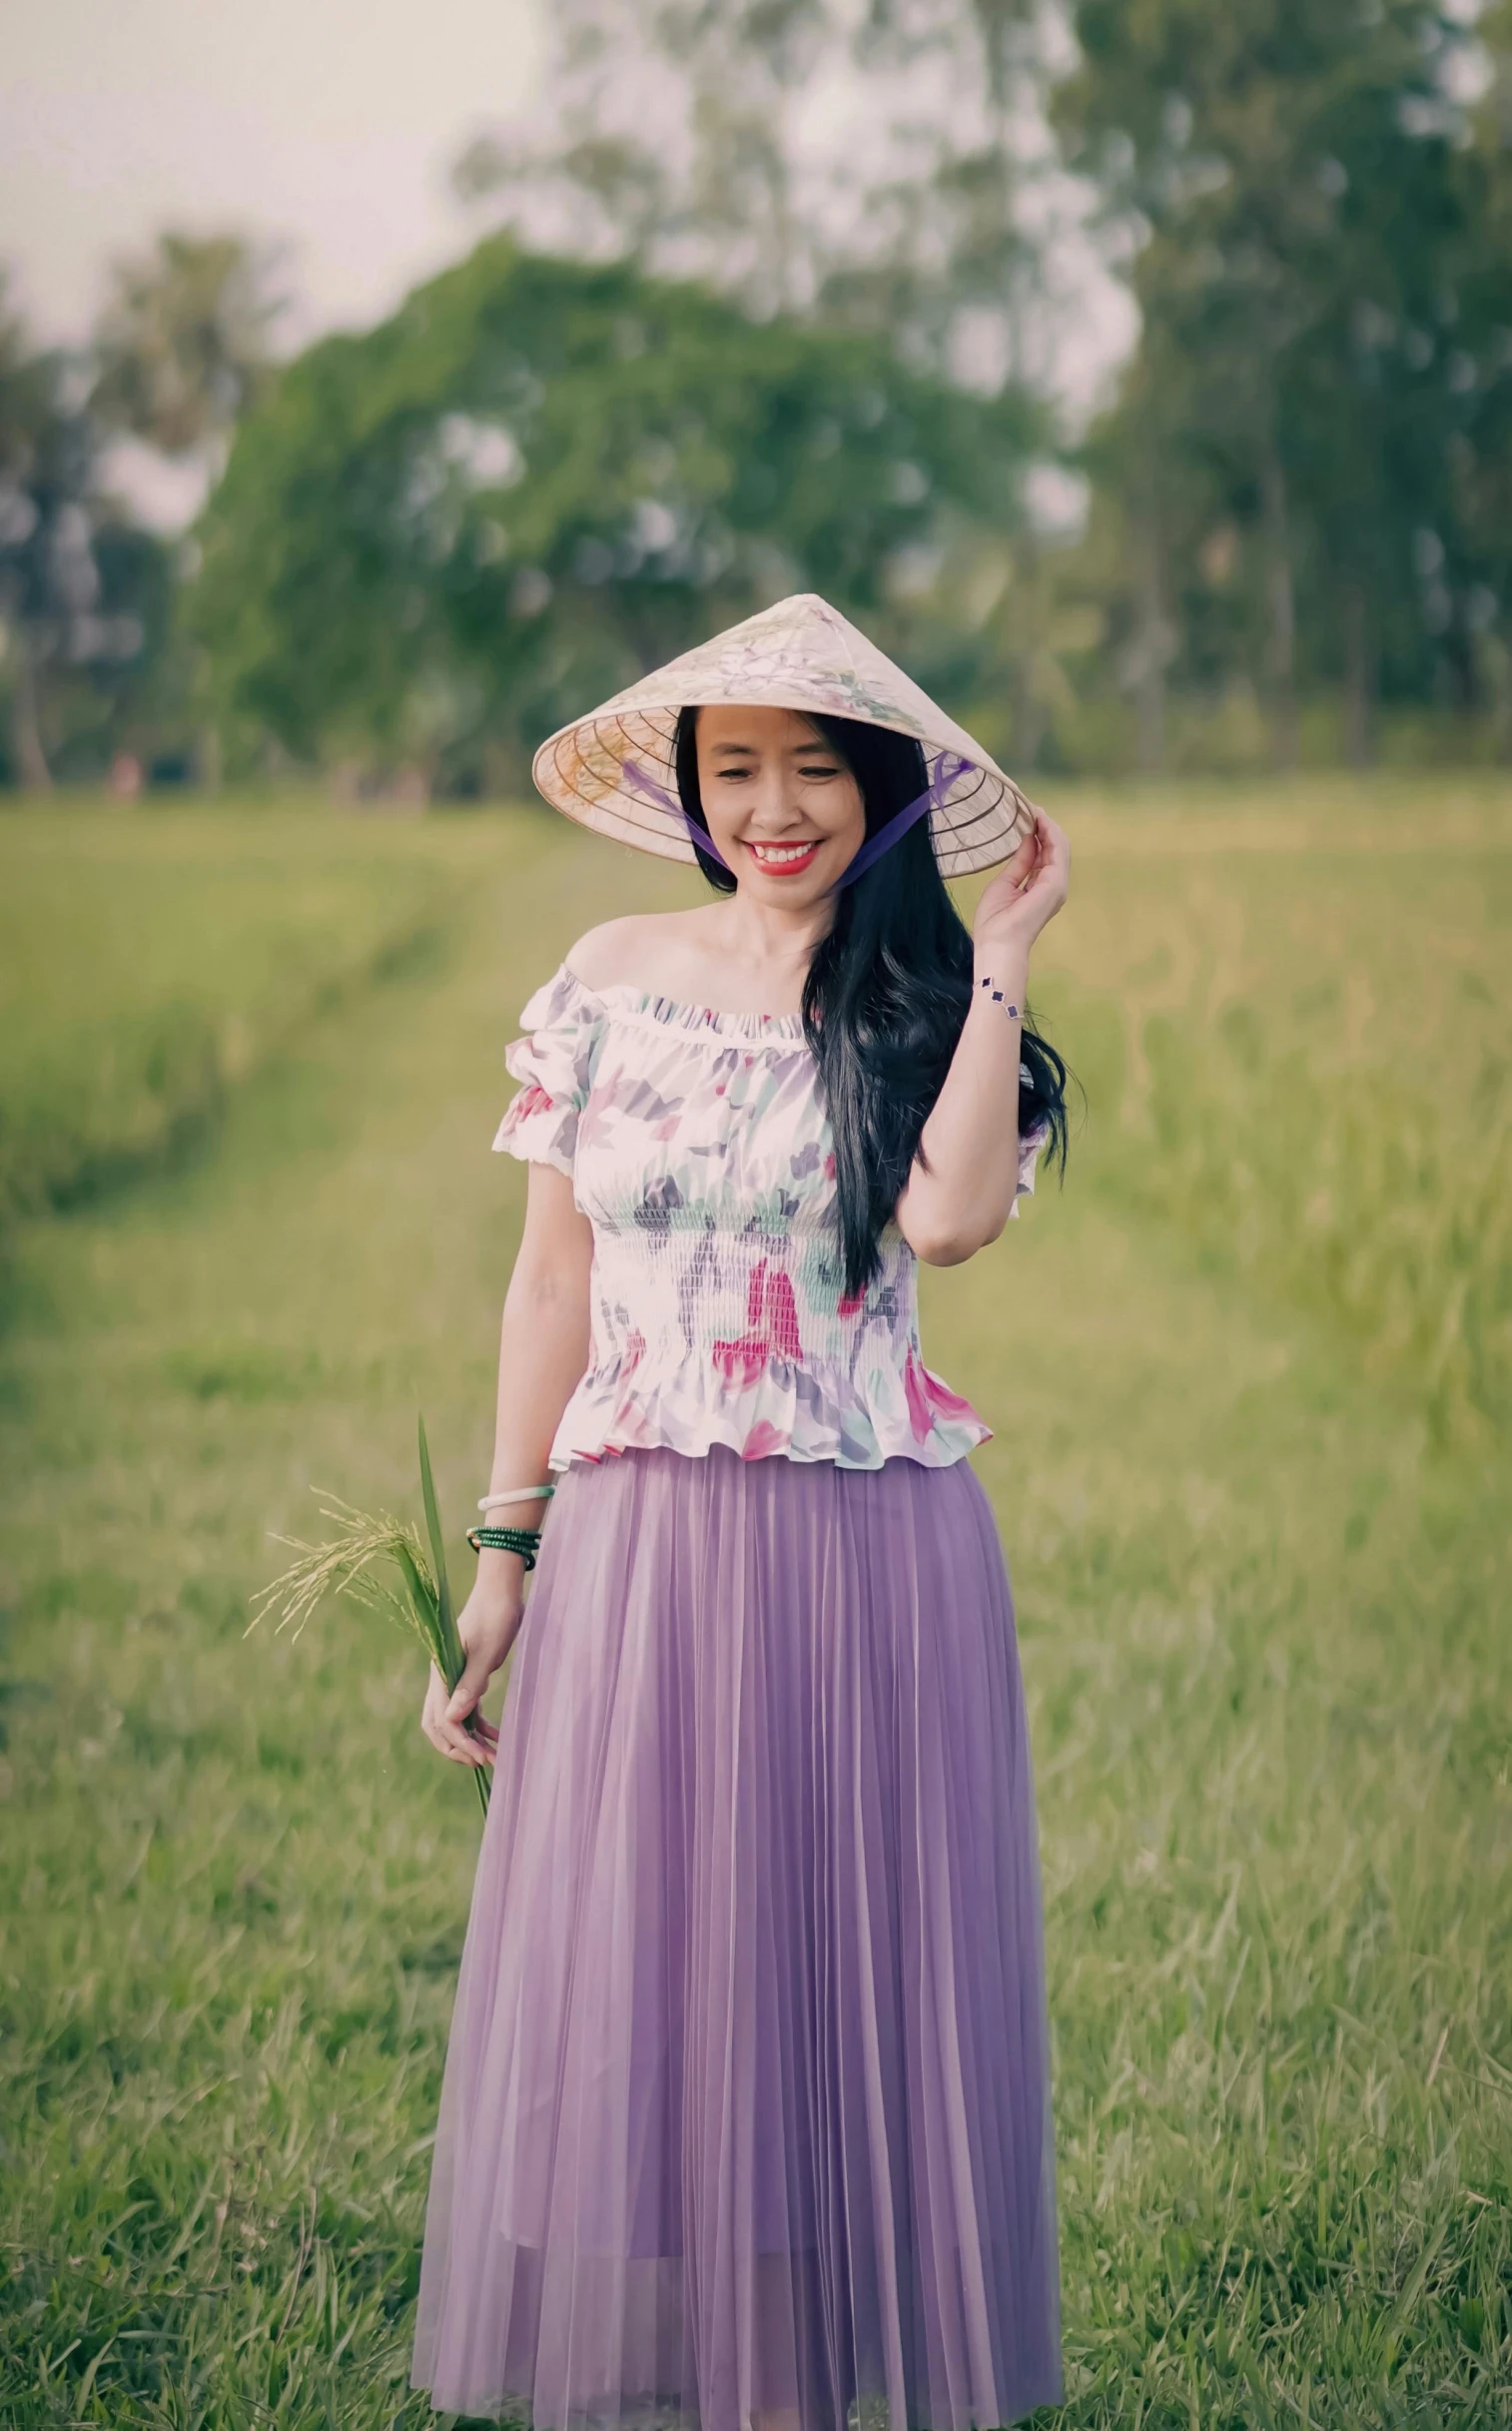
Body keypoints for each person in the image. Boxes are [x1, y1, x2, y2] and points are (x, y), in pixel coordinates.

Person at [411, 593, 1071, 2430]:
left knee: (828, 2006)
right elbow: (551, 1287)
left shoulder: (931, 1000)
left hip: (863, 1551)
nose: (774, 807)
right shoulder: (607, 968)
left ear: (877, 789)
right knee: (658, 2004)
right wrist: (503, 1558)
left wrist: (1002, 938)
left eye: (812, 771)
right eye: (735, 772)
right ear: (690, 791)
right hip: (635, 1556)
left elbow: (944, 1225)